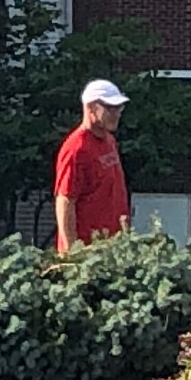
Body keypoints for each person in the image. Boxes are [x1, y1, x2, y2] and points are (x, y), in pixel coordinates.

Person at [54, 79, 132, 254]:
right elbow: (65, 201)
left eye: (119, 108)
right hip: (88, 254)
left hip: (113, 249)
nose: (117, 113)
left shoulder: (109, 141)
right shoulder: (76, 148)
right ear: (90, 108)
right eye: (110, 108)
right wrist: (72, 254)